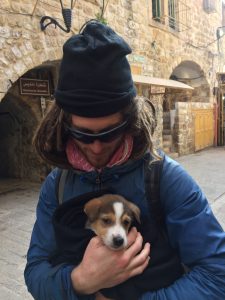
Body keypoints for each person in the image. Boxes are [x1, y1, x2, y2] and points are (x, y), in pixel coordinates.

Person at [24, 21, 225, 300]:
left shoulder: (166, 179)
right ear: (63, 122)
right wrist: (80, 280)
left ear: (130, 122)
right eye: (82, 133)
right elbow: (35, 271)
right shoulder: (56, 185)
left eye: (109, 132)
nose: (95, 146)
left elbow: (217, 275)